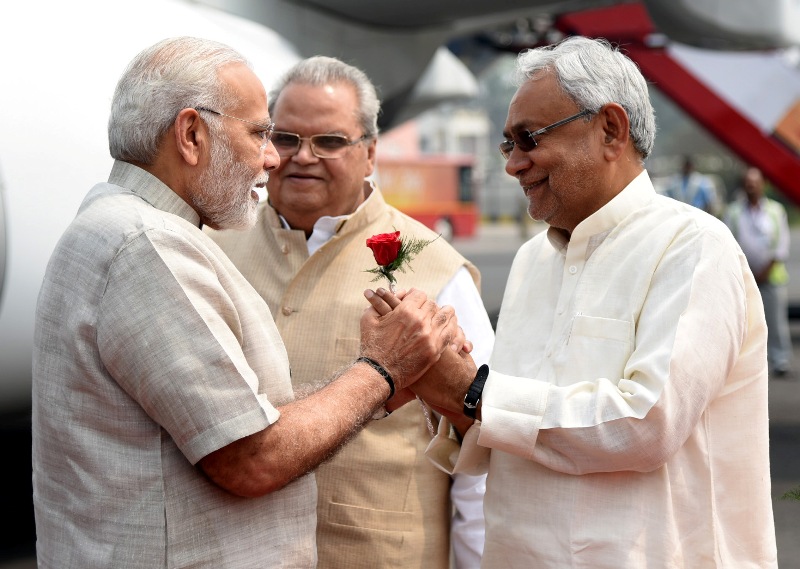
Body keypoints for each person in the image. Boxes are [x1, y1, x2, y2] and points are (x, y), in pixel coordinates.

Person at [31, 37, 464, 569]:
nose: (274, 158)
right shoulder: (149, 246)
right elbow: (252, 458)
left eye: (328, 141)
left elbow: (240, 420)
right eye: (263, 133)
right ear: (192, 135)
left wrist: (380, 388)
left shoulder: (121, 223)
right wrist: (381, 370)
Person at [370, 36, 778, 568]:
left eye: (528, 139)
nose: (514, 165)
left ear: (610, 130)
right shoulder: (531, 260)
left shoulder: (693, 246)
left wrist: (473, 392)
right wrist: (440, 384)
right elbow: (516, 427)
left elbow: (647, 424)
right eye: (508, 145)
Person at [207, 55, 494, 569]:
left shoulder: (434, 268)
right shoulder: (213, 247)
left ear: (370, 153)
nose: (303, 157)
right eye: (286, 138)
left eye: (330, 141)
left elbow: (481, 447)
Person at [725, 166, 793, 377]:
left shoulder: (775, 211)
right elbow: (728, 243)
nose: (751, 187)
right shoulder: (733, 212)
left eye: (755, 183)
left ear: (763, 185)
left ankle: (780, 359)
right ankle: (745, 365)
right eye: (748, 184)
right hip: (744, 277)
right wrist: (746, 271)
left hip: (771, 277)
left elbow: (781, 245)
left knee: (775, 321)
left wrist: (765, 270)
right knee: (745, 323)